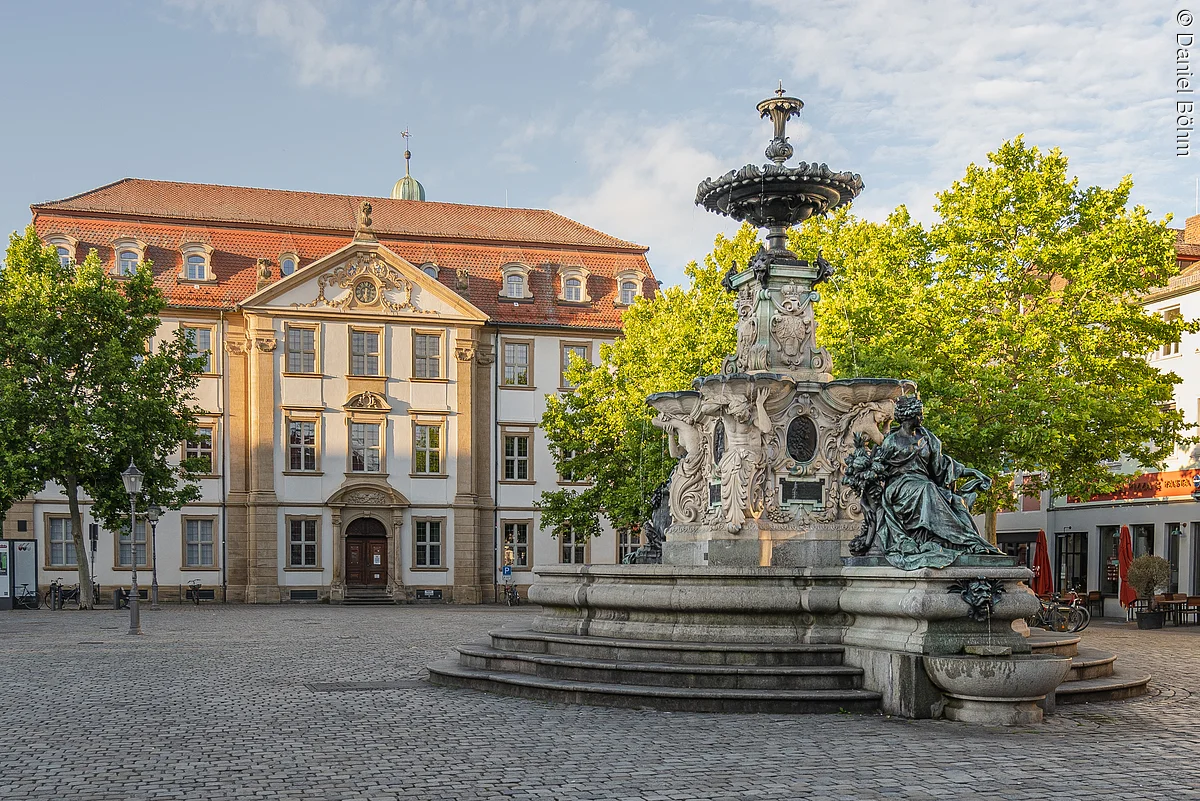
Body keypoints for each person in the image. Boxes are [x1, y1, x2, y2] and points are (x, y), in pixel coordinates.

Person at [867, 394, 1001, 569]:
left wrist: (973, 472)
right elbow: (877, 470)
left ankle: (969, 542)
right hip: (899, 487)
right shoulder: (891, 441)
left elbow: (944, 465)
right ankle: (964, 539)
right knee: (928, 489)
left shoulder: (927, 438)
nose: (922, 417)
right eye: (919, 414)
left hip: (923, 485)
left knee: (956, 502)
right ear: (909, 416)